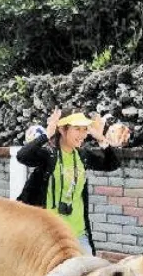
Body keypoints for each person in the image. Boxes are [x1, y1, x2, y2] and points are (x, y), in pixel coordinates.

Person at [16, 107, 129, 255]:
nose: (83, 135)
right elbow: (22, 156)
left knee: (88, 272)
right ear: (63, 130)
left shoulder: (83, 156)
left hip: (78, 233)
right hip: (49, 234)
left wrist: (101, 139)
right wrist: (47, 134)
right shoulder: (49, 155)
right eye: (77, 129)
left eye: (84, 129)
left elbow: (111, 164)